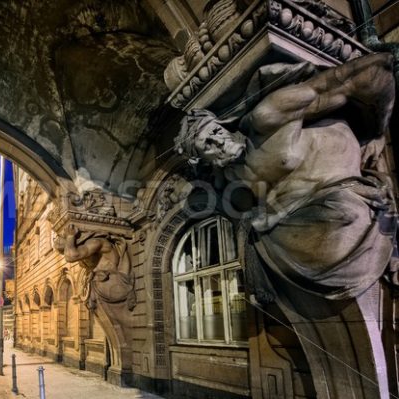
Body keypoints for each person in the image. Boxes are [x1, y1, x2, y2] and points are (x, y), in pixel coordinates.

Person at [176, 53, 397, 300]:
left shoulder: (267, 116)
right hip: (301, 238)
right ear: (205, 160)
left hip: (345, 205)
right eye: (206, 144)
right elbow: (238, 211)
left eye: (215, 131)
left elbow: (369, 73)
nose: (217, 140)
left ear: (222, 125)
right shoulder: (230, 178)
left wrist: (377, 131)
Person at [55, 224, 135, 310]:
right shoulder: (87, 251)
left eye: (60, 235)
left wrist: (70, 236)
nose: (57, 239)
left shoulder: (96, 242)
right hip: (103, 288)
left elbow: (71, 256)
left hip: (112, 286)